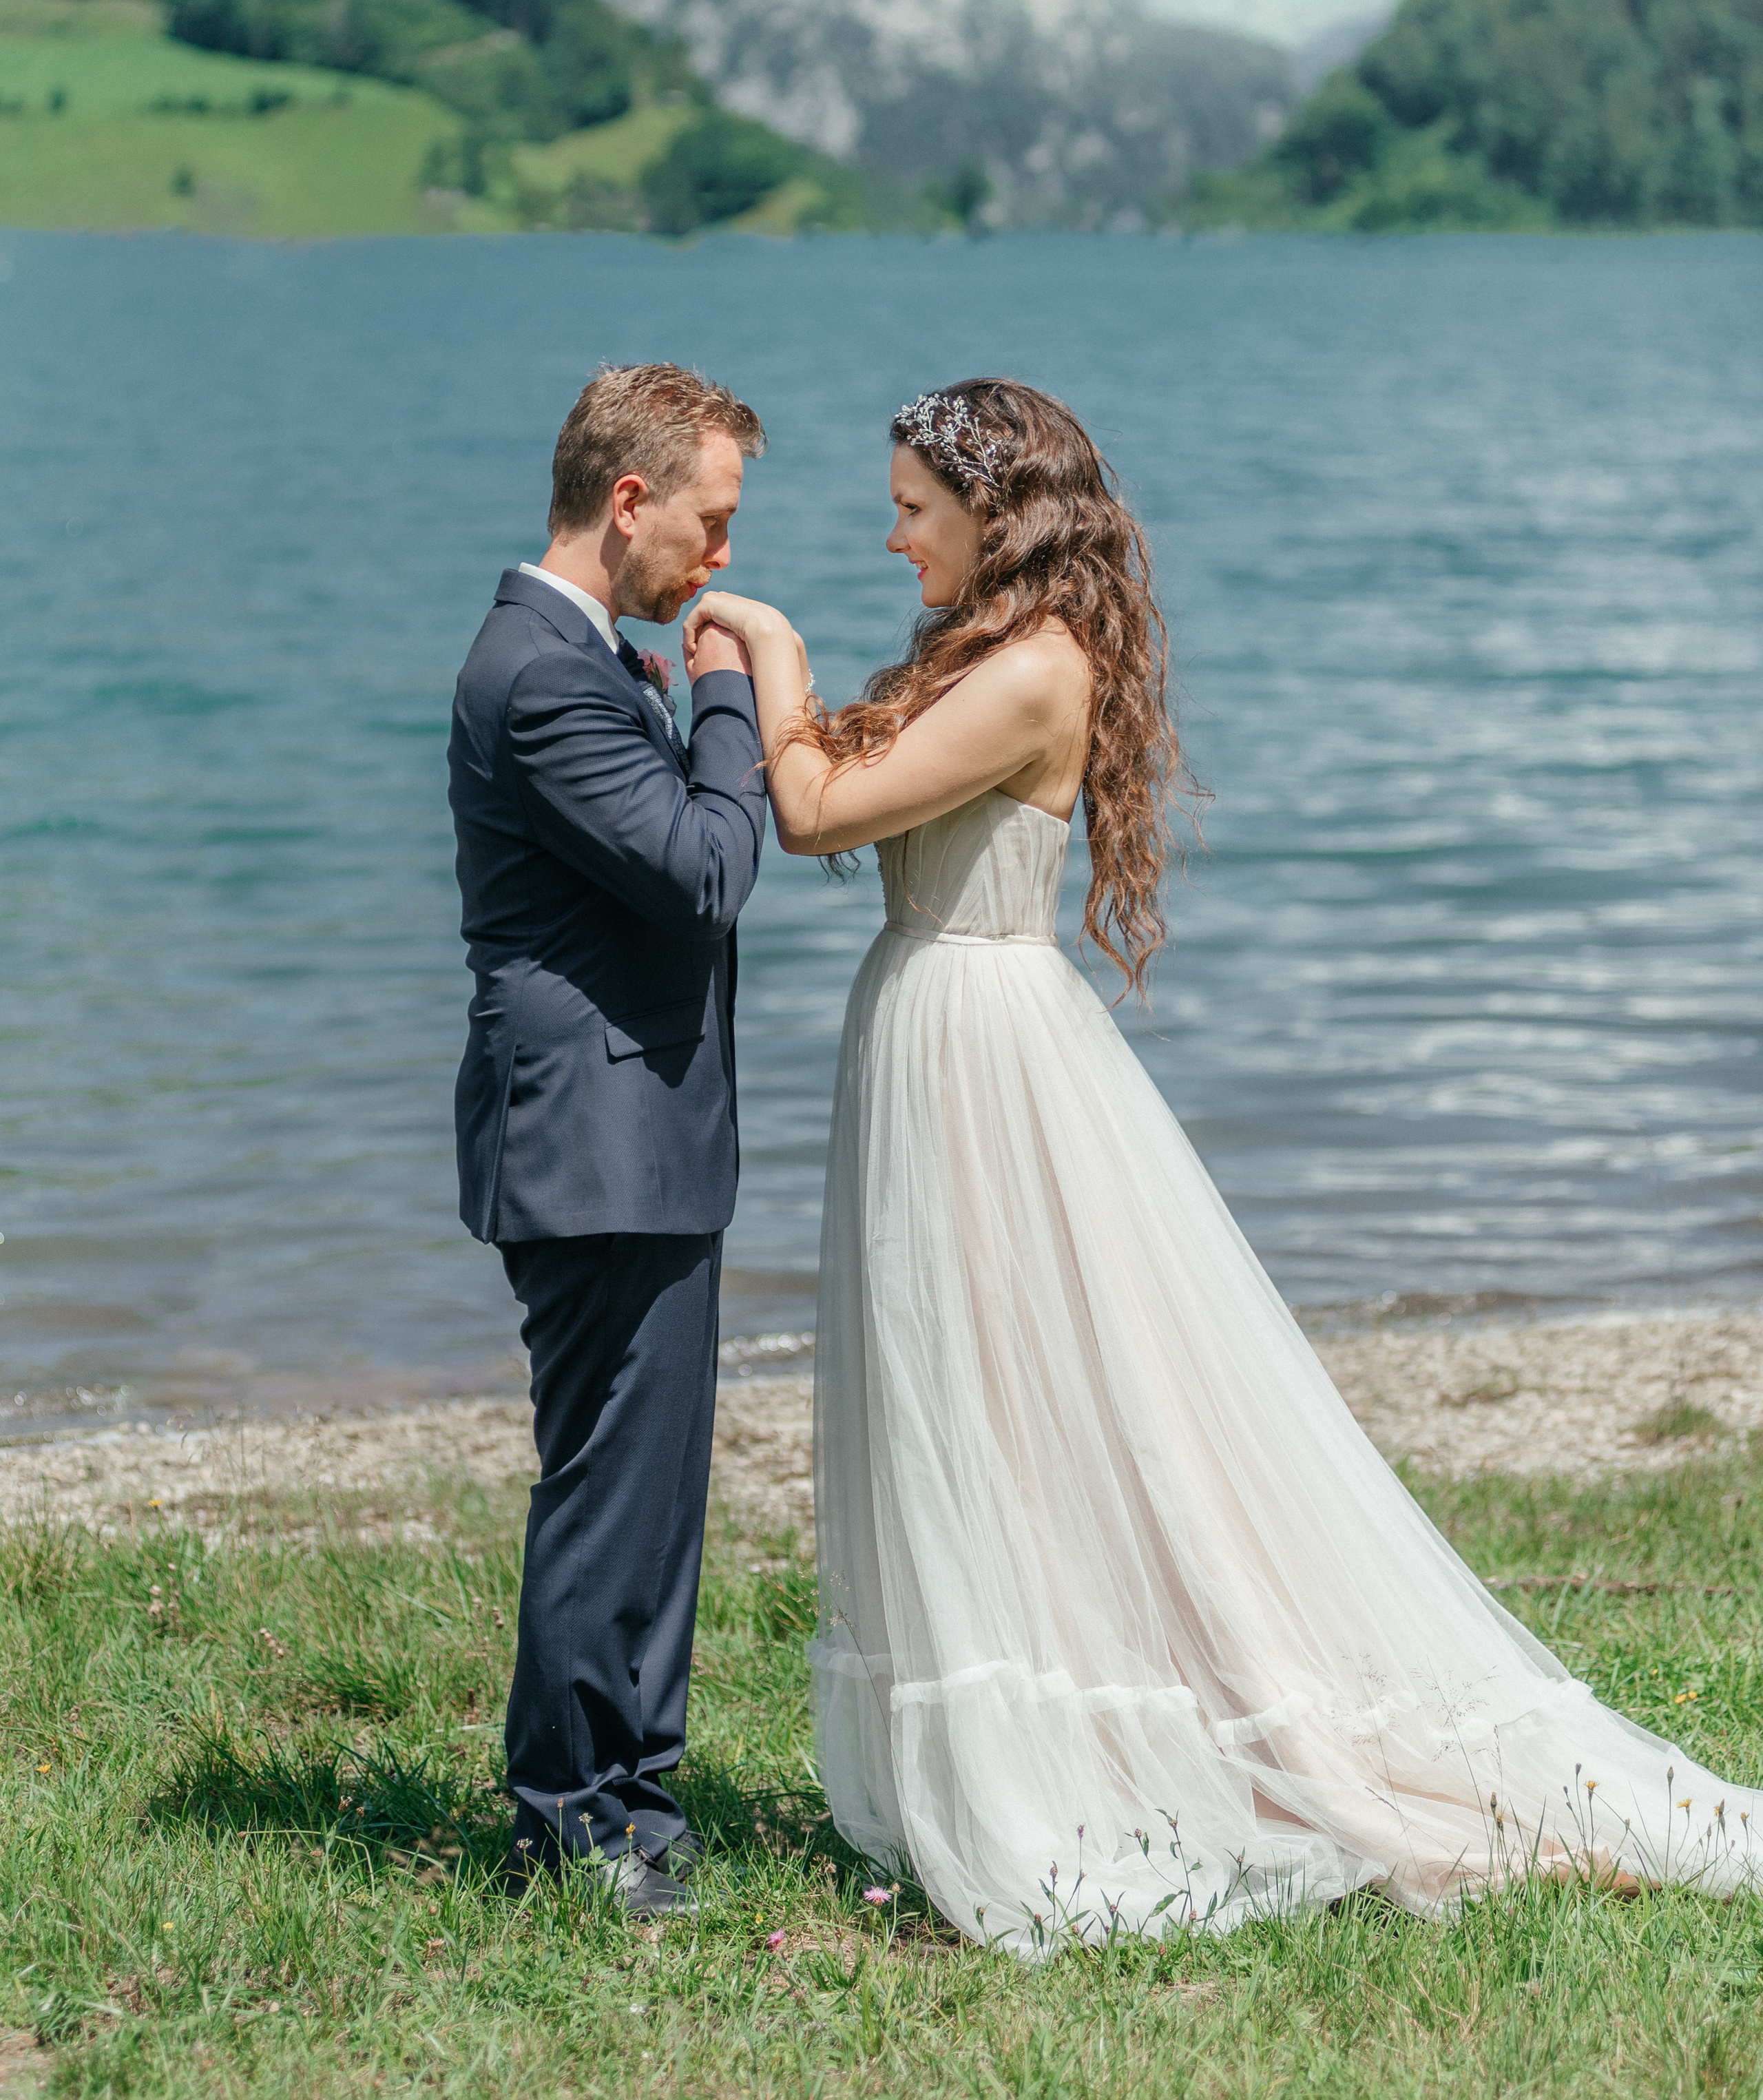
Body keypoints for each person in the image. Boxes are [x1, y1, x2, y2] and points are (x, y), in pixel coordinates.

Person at [687, 377, 1763, 1953]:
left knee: (1022, 1396)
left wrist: (766, 655)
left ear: (997, 515)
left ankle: (1064, 1754)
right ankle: (1005, 1737)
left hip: (985, 1051)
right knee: (961, 1396)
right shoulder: (980, 648)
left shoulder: (1035, 667)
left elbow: (816, 809)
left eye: (913, 505)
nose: (892, 530)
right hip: (926, 1032)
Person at [449, 361, 768, 1917]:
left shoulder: (578, 657)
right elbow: (703, 867)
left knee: (647, 1484)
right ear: (628, 500)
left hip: (631, 1134)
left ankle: (629, 1794)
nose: (716, 558)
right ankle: (573, 1822)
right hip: (592, 1138)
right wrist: (725, 682)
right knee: (607, 1486)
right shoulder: (546, 673)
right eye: (706, 525)